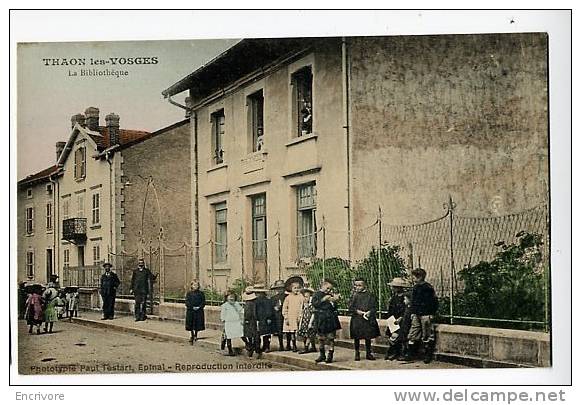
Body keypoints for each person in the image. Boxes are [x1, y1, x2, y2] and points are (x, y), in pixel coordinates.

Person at [407, 267, 439, 363]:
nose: (413, 279)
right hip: (417, 314)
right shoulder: (415, 287)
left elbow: (434, 302)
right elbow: (413, 302)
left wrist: (432, 313)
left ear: (420, 277)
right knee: (413, 332)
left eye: (414, 277)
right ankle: (411, 354)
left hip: (426, 314)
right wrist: (413, 312)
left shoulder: (428, 287)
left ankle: (427, 355)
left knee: (427, 334)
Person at [348, 278, 380, 361]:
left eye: (360, 285)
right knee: (356, 336)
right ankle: (357, 352)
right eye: (356, 286)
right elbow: (350, 308)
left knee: (367, 336)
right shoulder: (354, 295)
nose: (357, 287)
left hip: (367, 318)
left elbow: (375, 307)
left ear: (365, 285)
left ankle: (368, 353)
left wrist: (370, 312)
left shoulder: (370, 295)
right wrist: (357, 311)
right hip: (357, 319)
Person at [312, 279, 342, 364]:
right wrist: (323, 299)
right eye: (327, 288)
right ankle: (322, 355)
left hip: (330, 318)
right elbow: (314, 304)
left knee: (331, 337)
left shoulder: (330, 295)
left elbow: (334, 308)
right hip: (321, 318)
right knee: (321, 338)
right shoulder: (316, 294)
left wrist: (334, 302)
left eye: (330, 289)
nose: (328, 290)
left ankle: (330, 355)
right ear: (323, 285)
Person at [383, 277, 411, 360]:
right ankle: (394, 352)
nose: (392, 288)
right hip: (393, 319)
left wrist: (401, 317)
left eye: (394, 287)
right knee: (392, 335)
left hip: (401, 320)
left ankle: (402, 353)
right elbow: (391, 309)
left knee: (400, 336)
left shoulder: (404, 297)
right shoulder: (394, 297)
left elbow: (406, 309)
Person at [220, 291, 245, 356]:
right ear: (226, 298)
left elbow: (241, 310)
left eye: (233, 297)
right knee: (228, 336)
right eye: (230, 297)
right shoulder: (224, 305)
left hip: (236, 321)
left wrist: (242, 317)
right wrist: (223, 319)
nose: (232, 298)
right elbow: (223, 314)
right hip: (229, 322)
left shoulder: (236, 304)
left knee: (241, 333)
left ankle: (248, 345)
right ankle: (230, 350)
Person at [254, 283, 274, 356]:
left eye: (259, 293)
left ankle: (266, 346)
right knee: (258, 334)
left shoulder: (267, 300)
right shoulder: (255, 301)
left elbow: (269, 310)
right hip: (259, 319)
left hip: (266, 319)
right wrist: (256, 319)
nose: (258, 294)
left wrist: (269, 317)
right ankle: (258, 348)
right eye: (257, 293)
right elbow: (255, 310)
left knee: (267, 334)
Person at [282, 281, 303, 352]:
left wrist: (300, 316)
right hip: (290, 316)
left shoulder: (300, 297)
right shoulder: (288, 298)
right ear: (291, 289)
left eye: (298, 288)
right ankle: (288, 344)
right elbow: (285, 308)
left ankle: (294, 345)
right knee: (288, 331)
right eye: (295, 288)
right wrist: (286, 317)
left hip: (296, 316)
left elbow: (302, 307)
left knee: (294, 331)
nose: (296, 289)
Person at [297, 287, 317, 354]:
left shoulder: (311, 306)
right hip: (304, 322)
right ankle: (313, 347)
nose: (305, 298)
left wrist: (310, 323)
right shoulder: (303, 305)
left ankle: (306, 347)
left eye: (307, 297)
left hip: (310, 322)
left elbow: (313, 314)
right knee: (305, 335)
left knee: (309, 335)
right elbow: (302, 313)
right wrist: (300, 321)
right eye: (304, 297)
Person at [242, 286, 259, 358]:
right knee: (254, 334)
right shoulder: (254, 303)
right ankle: (255, 347)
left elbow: (248, 314)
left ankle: (250, 347)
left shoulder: (248, 304)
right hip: (254, 320)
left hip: (249, 321)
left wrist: (246, 320)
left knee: (249, 334)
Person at [270, 279, 286, 351]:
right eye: (278, 288)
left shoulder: (287, 296)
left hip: (285, 316)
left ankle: (289, 344)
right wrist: (275, 308)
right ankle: (281, 345)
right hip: (277, 316)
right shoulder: (273, 298)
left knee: (288, 331)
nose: (280, 290)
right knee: (279, 331)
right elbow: (271, 307)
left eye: (281, 288)